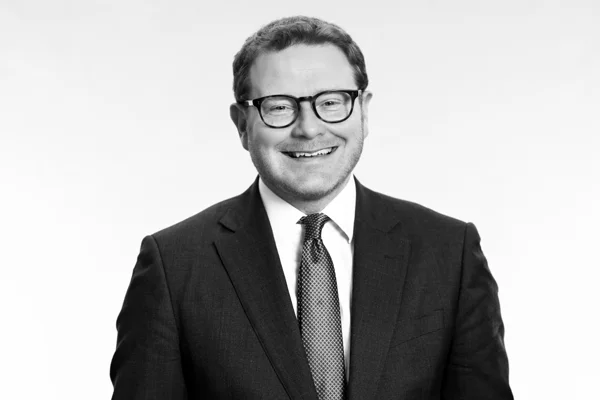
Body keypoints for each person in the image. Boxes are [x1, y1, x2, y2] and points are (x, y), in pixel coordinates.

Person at [110, 16, 513, 400]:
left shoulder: (449, 253)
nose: (308, 128)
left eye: (331, 102)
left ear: (364, 111)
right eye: (279, 106)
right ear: (242, 124)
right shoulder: (174, 266)